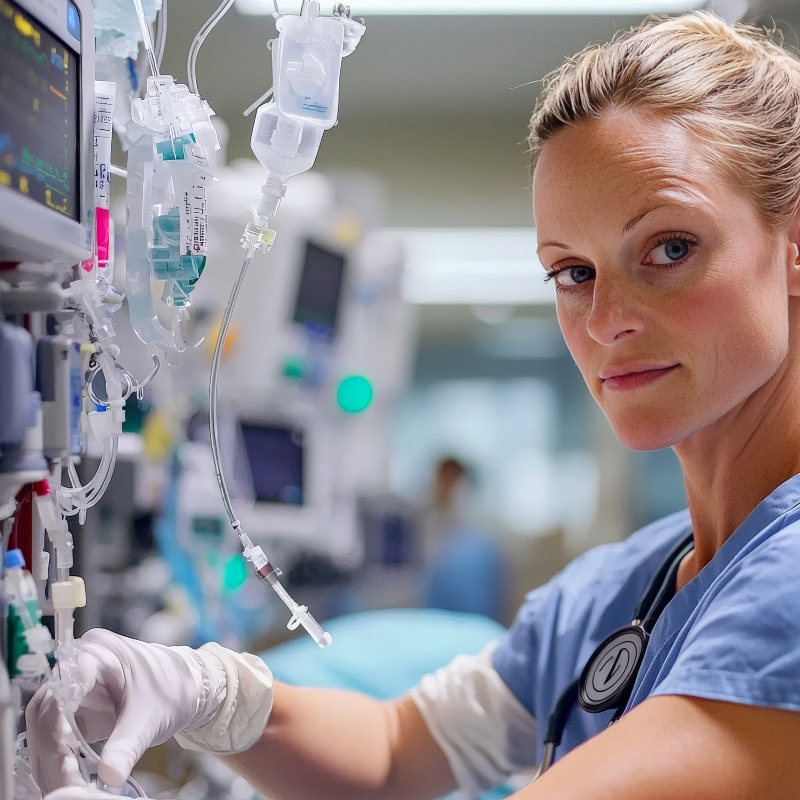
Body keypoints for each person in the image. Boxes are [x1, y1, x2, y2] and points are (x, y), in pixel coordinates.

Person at [28, 11, 800, 799]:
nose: (606, 320)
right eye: (572, 273)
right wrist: (214, 695)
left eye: (670, 248)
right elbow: (398, 749)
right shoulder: (620, 590)